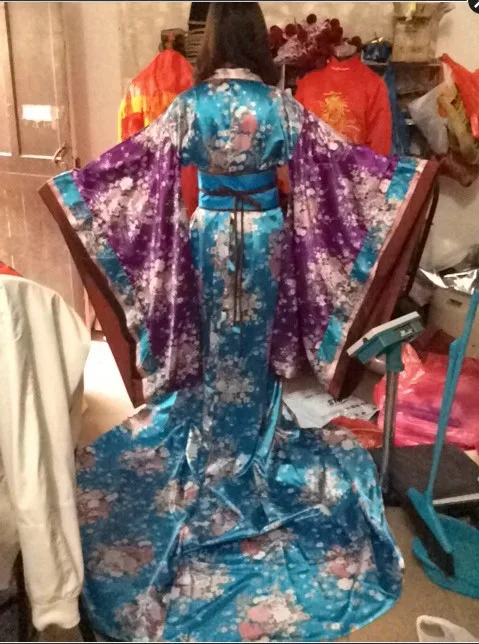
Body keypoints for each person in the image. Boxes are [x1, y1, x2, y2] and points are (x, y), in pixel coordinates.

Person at [46, 3, 436, 641]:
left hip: (209, 236)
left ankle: (212, 438)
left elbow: (134, 166)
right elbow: (341, 167)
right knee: (253, 343)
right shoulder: (280, 106)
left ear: (210, 41)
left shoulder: (191, 106)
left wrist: (77, 188)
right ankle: (255, 438)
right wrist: (405, 179)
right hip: (264, 238)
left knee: (214, 339)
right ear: (256, 39)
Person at [295, 52, 393, 156]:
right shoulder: (308, 82)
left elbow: (379, 144)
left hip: (344, 162)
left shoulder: (374, 84)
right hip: (319, 161)